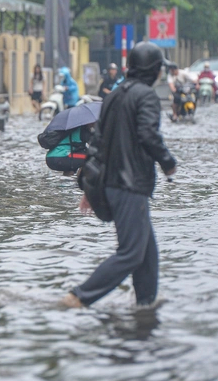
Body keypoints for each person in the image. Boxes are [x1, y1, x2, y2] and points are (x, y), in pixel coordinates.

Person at [62, 41, 177, 308]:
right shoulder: (146, 96)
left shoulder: (114, 95)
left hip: (111, 184)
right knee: (131, 253)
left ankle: (145, 305)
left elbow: (97, 143)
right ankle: (80, 296)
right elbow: (149, 135)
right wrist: (168, 162)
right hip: (130, 184)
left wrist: (88, 187)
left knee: (147, 252)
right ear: (153, 70)